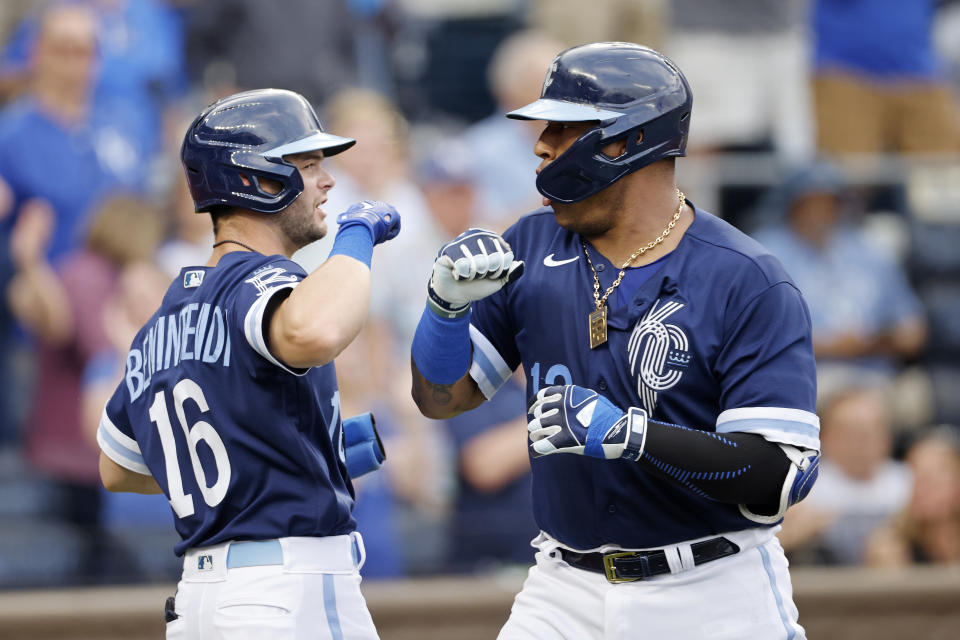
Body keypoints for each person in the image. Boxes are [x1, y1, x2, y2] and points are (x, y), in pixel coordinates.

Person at [410, 43, 820, 639]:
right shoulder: (529, 244)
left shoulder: (746, 278)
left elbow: (780, 475)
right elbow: (440, 398)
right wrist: (444, 312)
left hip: (711, 587)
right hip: (563, 585)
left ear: (627, 140)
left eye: (563, 126)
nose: (542, 144)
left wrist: (630, 436)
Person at [95, 88, 399, 639]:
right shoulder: (262, 281)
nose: (328, 180)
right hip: (285, 592)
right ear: (257, 179)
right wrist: (357, 235)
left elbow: (118, 468)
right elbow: (318, 328)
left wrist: (276, 457)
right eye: (307, 166)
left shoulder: (162, 317)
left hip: (203, 600)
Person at [778, 386, 911, 565]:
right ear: (823, 437)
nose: (859, 443)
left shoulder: (909, 483)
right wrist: (797, 534)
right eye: (848, 432)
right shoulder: (800, 486)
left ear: (887, 437)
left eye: (868, 432)